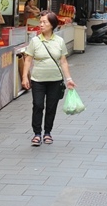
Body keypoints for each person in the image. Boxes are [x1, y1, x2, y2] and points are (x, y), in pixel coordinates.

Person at [21, 11, 76, 146]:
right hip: (38, 79)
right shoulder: (34, 41)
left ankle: (47, 133)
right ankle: (37, 133)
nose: (41, 24)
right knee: (38, 105)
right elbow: (28, 60)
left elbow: (63, 61)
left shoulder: (59, 41)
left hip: (55, 80)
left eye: (44, 22)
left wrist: (68, 79)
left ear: (52, 25)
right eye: (40, 22)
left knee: (51, 107)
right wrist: (24, 77)